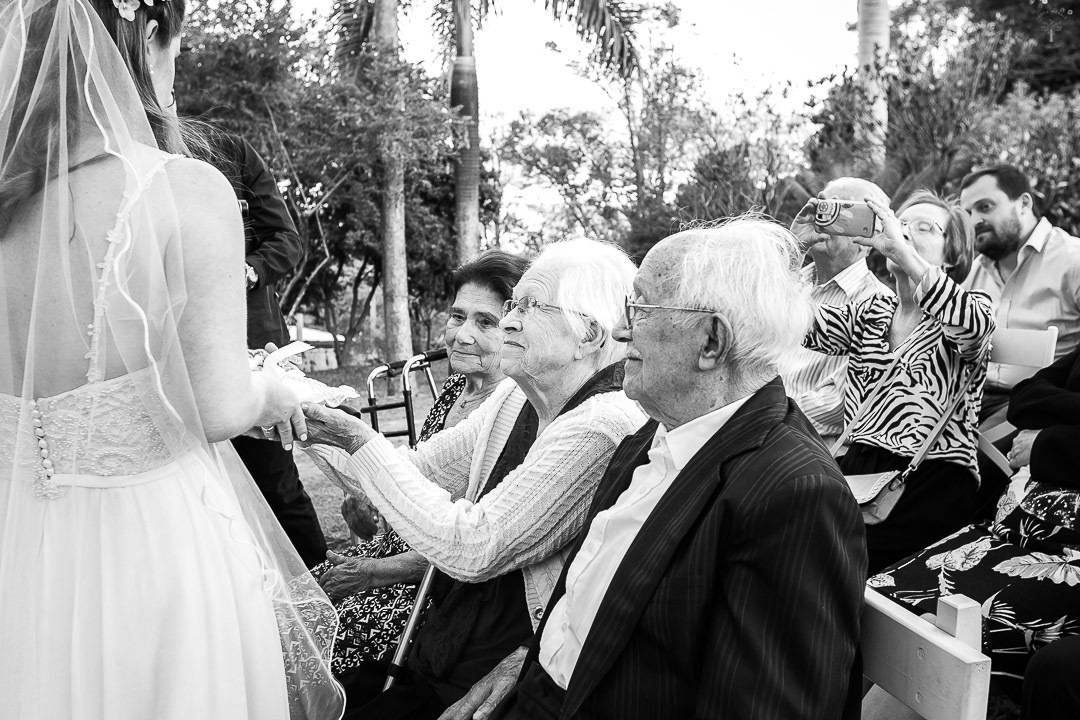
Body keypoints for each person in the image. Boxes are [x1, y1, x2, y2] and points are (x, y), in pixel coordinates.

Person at [0, 0, 343, 717]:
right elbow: (218, 406)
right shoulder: (181, 188)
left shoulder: (7, 209)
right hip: (147, 547)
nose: (175, 73)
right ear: (149, 34)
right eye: (178, 51)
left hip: (19, 548)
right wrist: (275, 391)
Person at [458, 217, 867, 720]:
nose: (621, 329)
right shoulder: (657, 431)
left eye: (640, 309)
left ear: (711, 342)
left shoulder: (793, 494)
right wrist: (531, 660)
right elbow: (598, 597)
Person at [301, 239, 647, 720]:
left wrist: (354, 438)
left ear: (587, 334)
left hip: (512, 676)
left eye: (529, 307)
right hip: (451, 644)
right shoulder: (516, 398)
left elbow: (475, 546)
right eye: (512, 306)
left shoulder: (601, 425)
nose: (509, 322)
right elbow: (411, 470)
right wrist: (298, 410)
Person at [311, 249, 529, 699]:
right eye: (457, 316)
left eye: (486, 322)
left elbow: (473, 543)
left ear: (515, 328)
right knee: (290, 601)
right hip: (393, 550)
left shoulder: (512, 406)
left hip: (430, 582)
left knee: (319, 640)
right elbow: (414, 475)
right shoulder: (455, 387)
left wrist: (375, 571)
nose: (463, 334)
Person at [797, 190, 994, 574]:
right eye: (899, 223)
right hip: (858, 471)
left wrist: (902, 251)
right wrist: (796, 247)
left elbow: (971, 326)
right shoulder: (874, 310)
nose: (902, 231)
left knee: (818, 561)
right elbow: (786, 320)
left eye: (924, 228)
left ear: (952, 256)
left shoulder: (973, 306)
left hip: (931, 479)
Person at [870, 344, 1080, 705]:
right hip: (1006, 526)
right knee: (882, 595)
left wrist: (1048, 439)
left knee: (950, 630)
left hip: (1063, 555)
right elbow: (1024, 397)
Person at [211, 130, 329, 568]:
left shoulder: (232, 151)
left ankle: (322, 585)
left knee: (277, 486)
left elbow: (286, 239)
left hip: (250, 346)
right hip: (171, 352)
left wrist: (248, 270)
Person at [960, 165, 1080, 421]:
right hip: (965, 399)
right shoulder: (971, 273)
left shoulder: (1073, 261)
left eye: (985, 207)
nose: (974, 221)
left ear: (1024, 203)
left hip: (1037, 408)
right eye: (967, 213)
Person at [780, 177, 894, 446]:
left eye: (844, 210)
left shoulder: (878, 302)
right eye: (825, 205)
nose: (826, 217)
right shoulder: (786, 282)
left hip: (799, 445)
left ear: (868, 237)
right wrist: (794, 247)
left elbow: (837, 405)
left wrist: (758, 415)